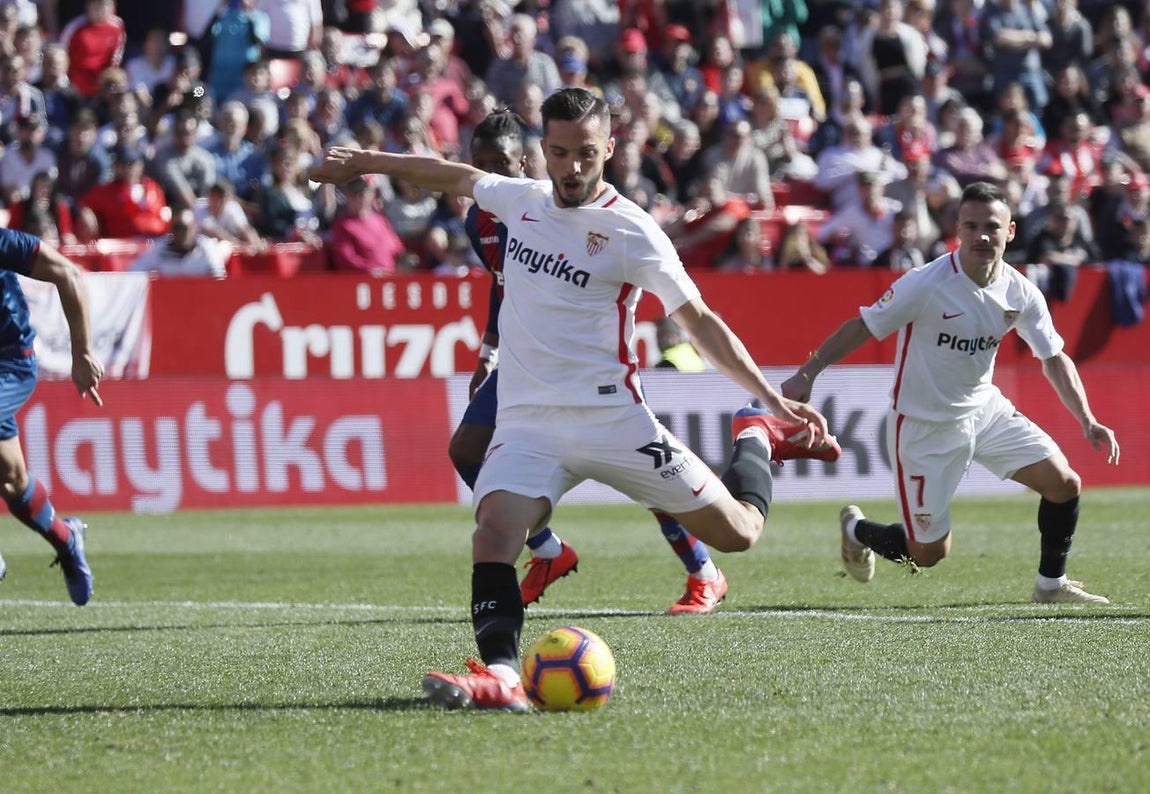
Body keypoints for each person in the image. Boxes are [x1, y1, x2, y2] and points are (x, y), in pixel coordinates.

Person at [310, 87, 841, 711]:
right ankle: (504, 676)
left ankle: (754, 433)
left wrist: (771, 400)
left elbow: (697, 320)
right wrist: (368, 161)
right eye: (559, 153)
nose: (571, 166)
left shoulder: (631, 231)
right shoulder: (523, 200)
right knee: (494, 532)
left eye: (586, 153)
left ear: (609, 150)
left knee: (740, 534)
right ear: (544, 152)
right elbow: (452, 175)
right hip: (530, 424)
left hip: (614, 420)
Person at [450, 110, 733, 617]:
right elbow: (503, 288)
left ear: (526, 163)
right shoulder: (480, 218)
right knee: (466, 448)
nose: (489, 173)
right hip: (525, 367)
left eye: (502, 163)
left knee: (653, 477)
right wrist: (488, 353)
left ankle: (703, 570)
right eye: (480, 164)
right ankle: (548, 551)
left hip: (591, 368)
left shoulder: (549, 210)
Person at [781, 181, 1119, 604]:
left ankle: (1050, 585)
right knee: (929, 554)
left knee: (1065, 483)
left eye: (991, 227)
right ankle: (856, 530)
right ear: (957, 228)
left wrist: (1087, 419)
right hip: (925, 427)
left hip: (986, 411)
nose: (981, 236)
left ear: (1010, 231)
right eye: (971, 226)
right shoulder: (925, 284)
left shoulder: (1020, 291)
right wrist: (809, 373)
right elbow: (864, 326)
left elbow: (1053, 356)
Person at [0, 228, 102, 603]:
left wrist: (82, 353)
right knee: (11, 481)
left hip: (9, 362)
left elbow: (68, 273)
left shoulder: (3, 243)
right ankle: (66, 538)